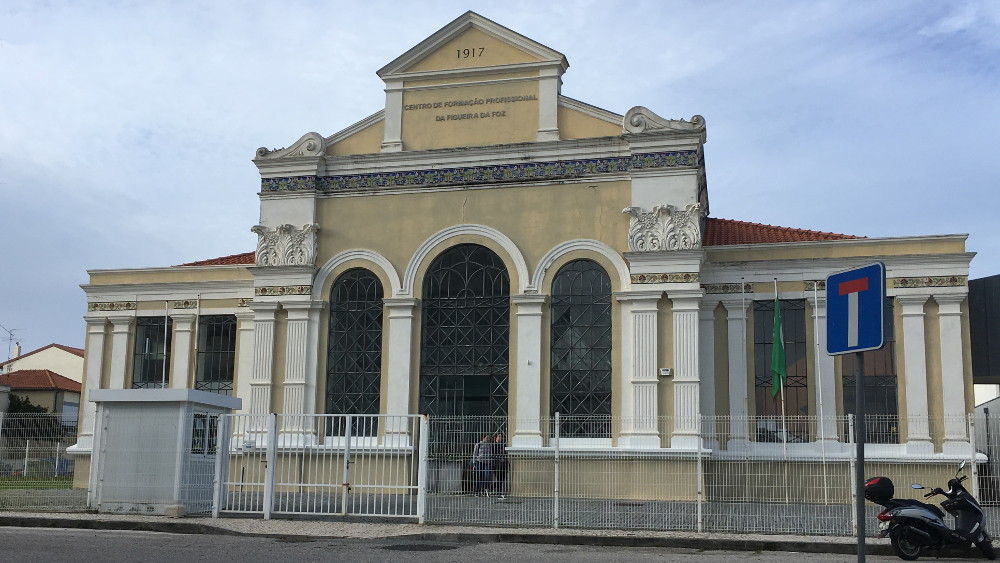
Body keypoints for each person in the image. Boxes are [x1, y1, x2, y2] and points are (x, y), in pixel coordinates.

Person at [492, 432, 508, 499]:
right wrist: (499, 458)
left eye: (501, 436)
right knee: (499, 479)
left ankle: (489, 489)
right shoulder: (494, 445)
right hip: (497, 464)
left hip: (503, 464)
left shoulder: (503, 445)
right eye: (499, 436)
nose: (500, 438)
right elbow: (493, 454)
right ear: (496, 437)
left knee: (502, 479)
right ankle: (498, 493)